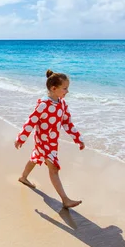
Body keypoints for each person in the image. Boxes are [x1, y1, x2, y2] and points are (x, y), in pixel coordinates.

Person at [15, 69, 85, 208]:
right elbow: (32, 121)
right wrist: (21, 138)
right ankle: (65, 200)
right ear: (54, 88)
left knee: (36, 157)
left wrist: (78, 138)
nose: (67, 91)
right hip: (43, 140)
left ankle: (23, 177)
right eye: (65, 88)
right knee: (54, 169)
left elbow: (67, 123)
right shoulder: (44, 104)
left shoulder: (62, 104)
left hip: (52, 141)